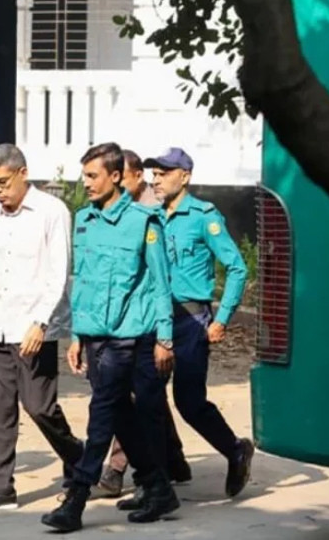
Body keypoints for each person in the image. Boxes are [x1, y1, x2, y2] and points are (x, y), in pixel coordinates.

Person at [41, 142, 179, 533]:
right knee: (119, 414)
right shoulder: (84, 219)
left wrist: (165, 338)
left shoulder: (144, 221)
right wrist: (76, 335)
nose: (85, 183)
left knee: (101, 415)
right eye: (83, 176)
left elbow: (160, 284)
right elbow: (82, 282)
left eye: (92, 176)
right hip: (96, 338)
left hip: (129, 339)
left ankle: (76, 498)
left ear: (116, 176)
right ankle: (157, 487)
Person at [0, 144, 84, 512]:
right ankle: (0, 490)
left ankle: (79, 458)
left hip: (33, 329)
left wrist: (41, 322)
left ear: (23, 173)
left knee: (39, 406)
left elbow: (58, 272)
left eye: (3, 182)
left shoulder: (52, 211)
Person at [140, 146, 254, 500]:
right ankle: (158, 480)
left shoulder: (204, 216)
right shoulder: (151, 217)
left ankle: (235, 449)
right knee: (146, 396)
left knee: (188, 401)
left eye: (163, 173)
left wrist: (222, 319)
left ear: (185, 176)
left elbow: (237, 268)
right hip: (155, 318)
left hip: (191, 320)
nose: (156, 180)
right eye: (154, 174)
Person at [91, 147, 189, 500]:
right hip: (124, 323)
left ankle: (121, 471)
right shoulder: (103, 215)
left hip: (148, 323)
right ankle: (171, 465)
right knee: (148, 400)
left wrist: (165, 338)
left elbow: (159, 281)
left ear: (128, 177)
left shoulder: (148, 214)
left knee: (130, 400)